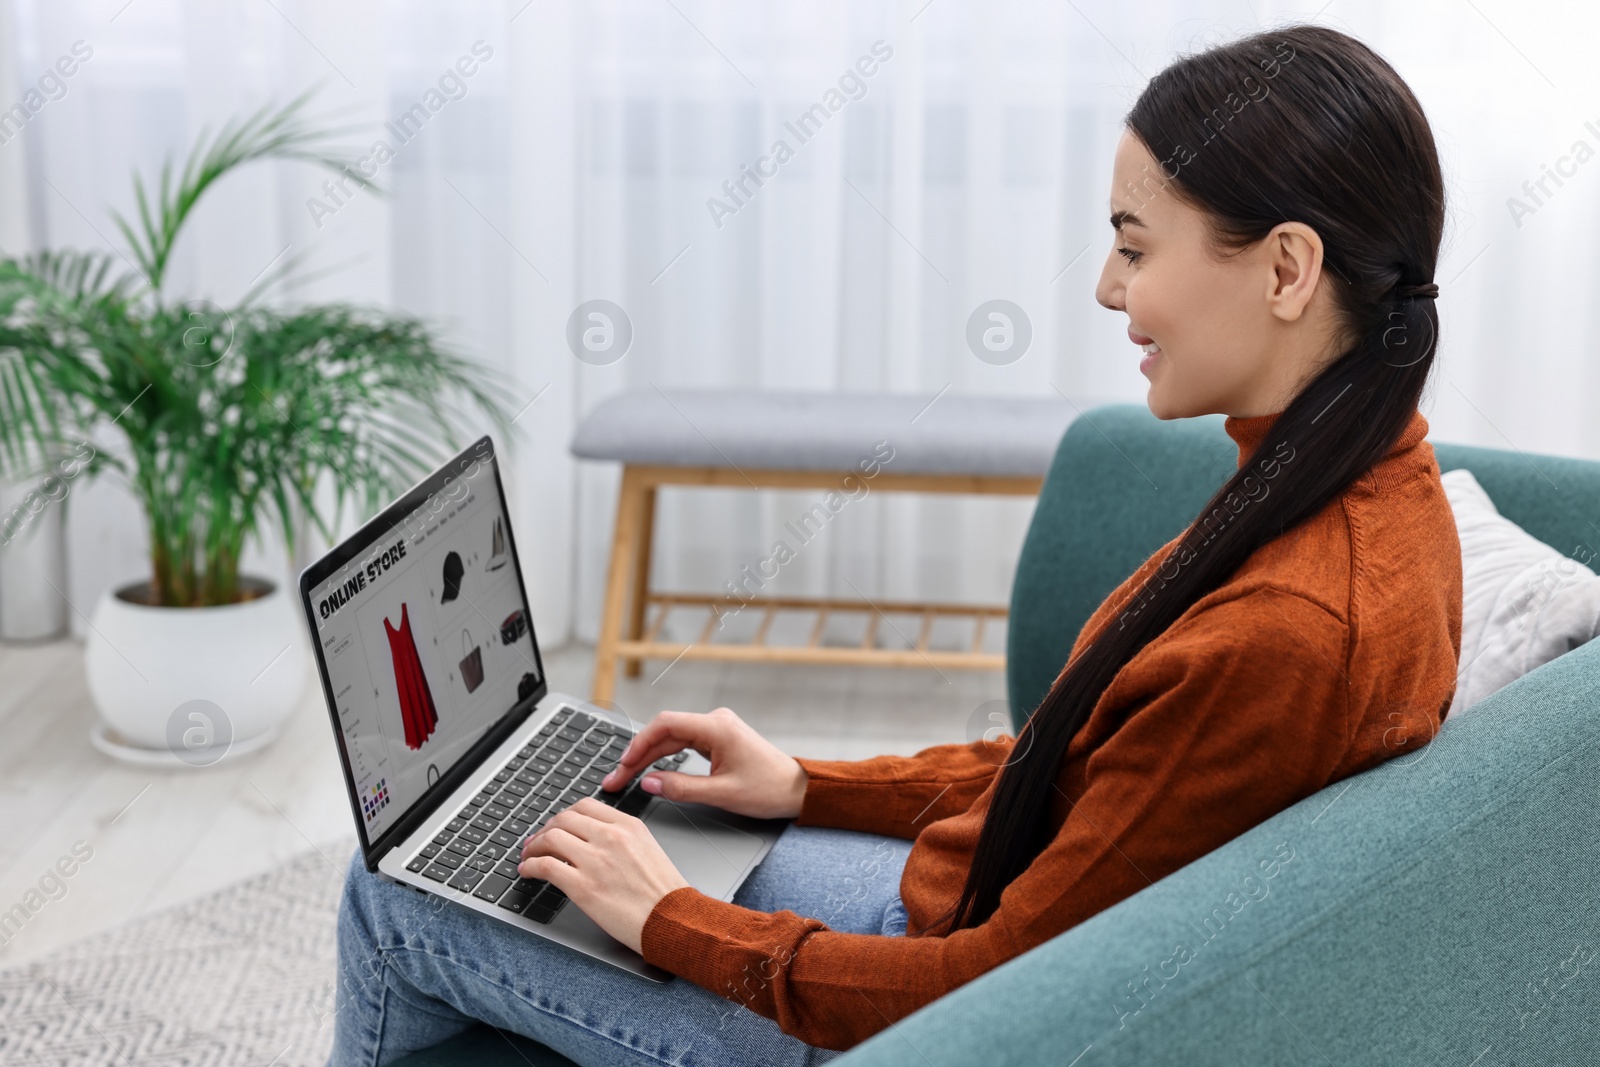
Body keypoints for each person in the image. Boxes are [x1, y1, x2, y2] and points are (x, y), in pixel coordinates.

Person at [331, 23, 1461, 1066]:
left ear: (1284, 269)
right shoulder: (1366, 493)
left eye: (1133, 245)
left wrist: (672, 921)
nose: (1112, 288)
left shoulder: (1288, 629)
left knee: (398, 890)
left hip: (907, 1019)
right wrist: (803, 782)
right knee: (562, 848)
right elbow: (1082, 772)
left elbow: (993, 992)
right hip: (944, 910)